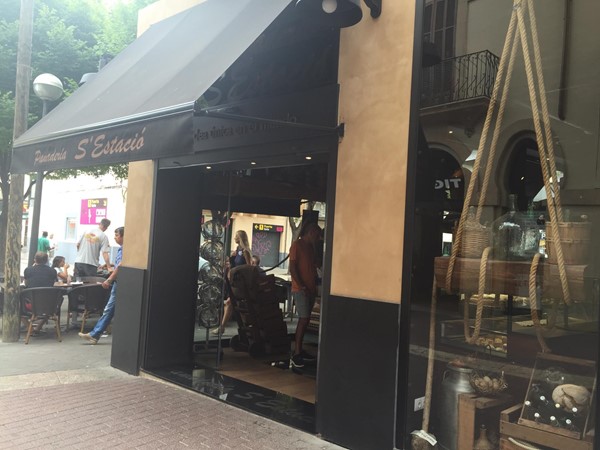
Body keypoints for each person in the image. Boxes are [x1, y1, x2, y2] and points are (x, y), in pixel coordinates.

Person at [79, 226, 124, 345]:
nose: (115, 238)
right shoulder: (122, 249)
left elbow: (120, 266)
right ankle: (95, 334)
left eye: (117, 235)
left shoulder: (125, 250)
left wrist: (109, 280)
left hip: (119, 283)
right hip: (118, 282)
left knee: (109, 310)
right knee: (109, 310)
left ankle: (95, 334)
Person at [289, 222, 321, 369]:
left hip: (310, 288)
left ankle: (300, 350)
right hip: (301, 289)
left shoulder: (310, 247)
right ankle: (296, 352)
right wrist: (301, 285)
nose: (317, 236)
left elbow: (315, 265)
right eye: (316, 233)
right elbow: (293, 267)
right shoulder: (297, 245)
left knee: (306, 319)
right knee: (303, 319)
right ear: (310, 232)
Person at [211, 230, 252, 335]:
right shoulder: (237, 251)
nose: (234, 238)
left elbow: (249, 267)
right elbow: (234, 264)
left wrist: (236, 270)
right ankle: (244, 328)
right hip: (235, 283)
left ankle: (222, 328)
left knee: (229, 303)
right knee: (231, 304)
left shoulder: (245, 251)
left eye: (236, 236)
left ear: (241, 238)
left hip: (241, 285)